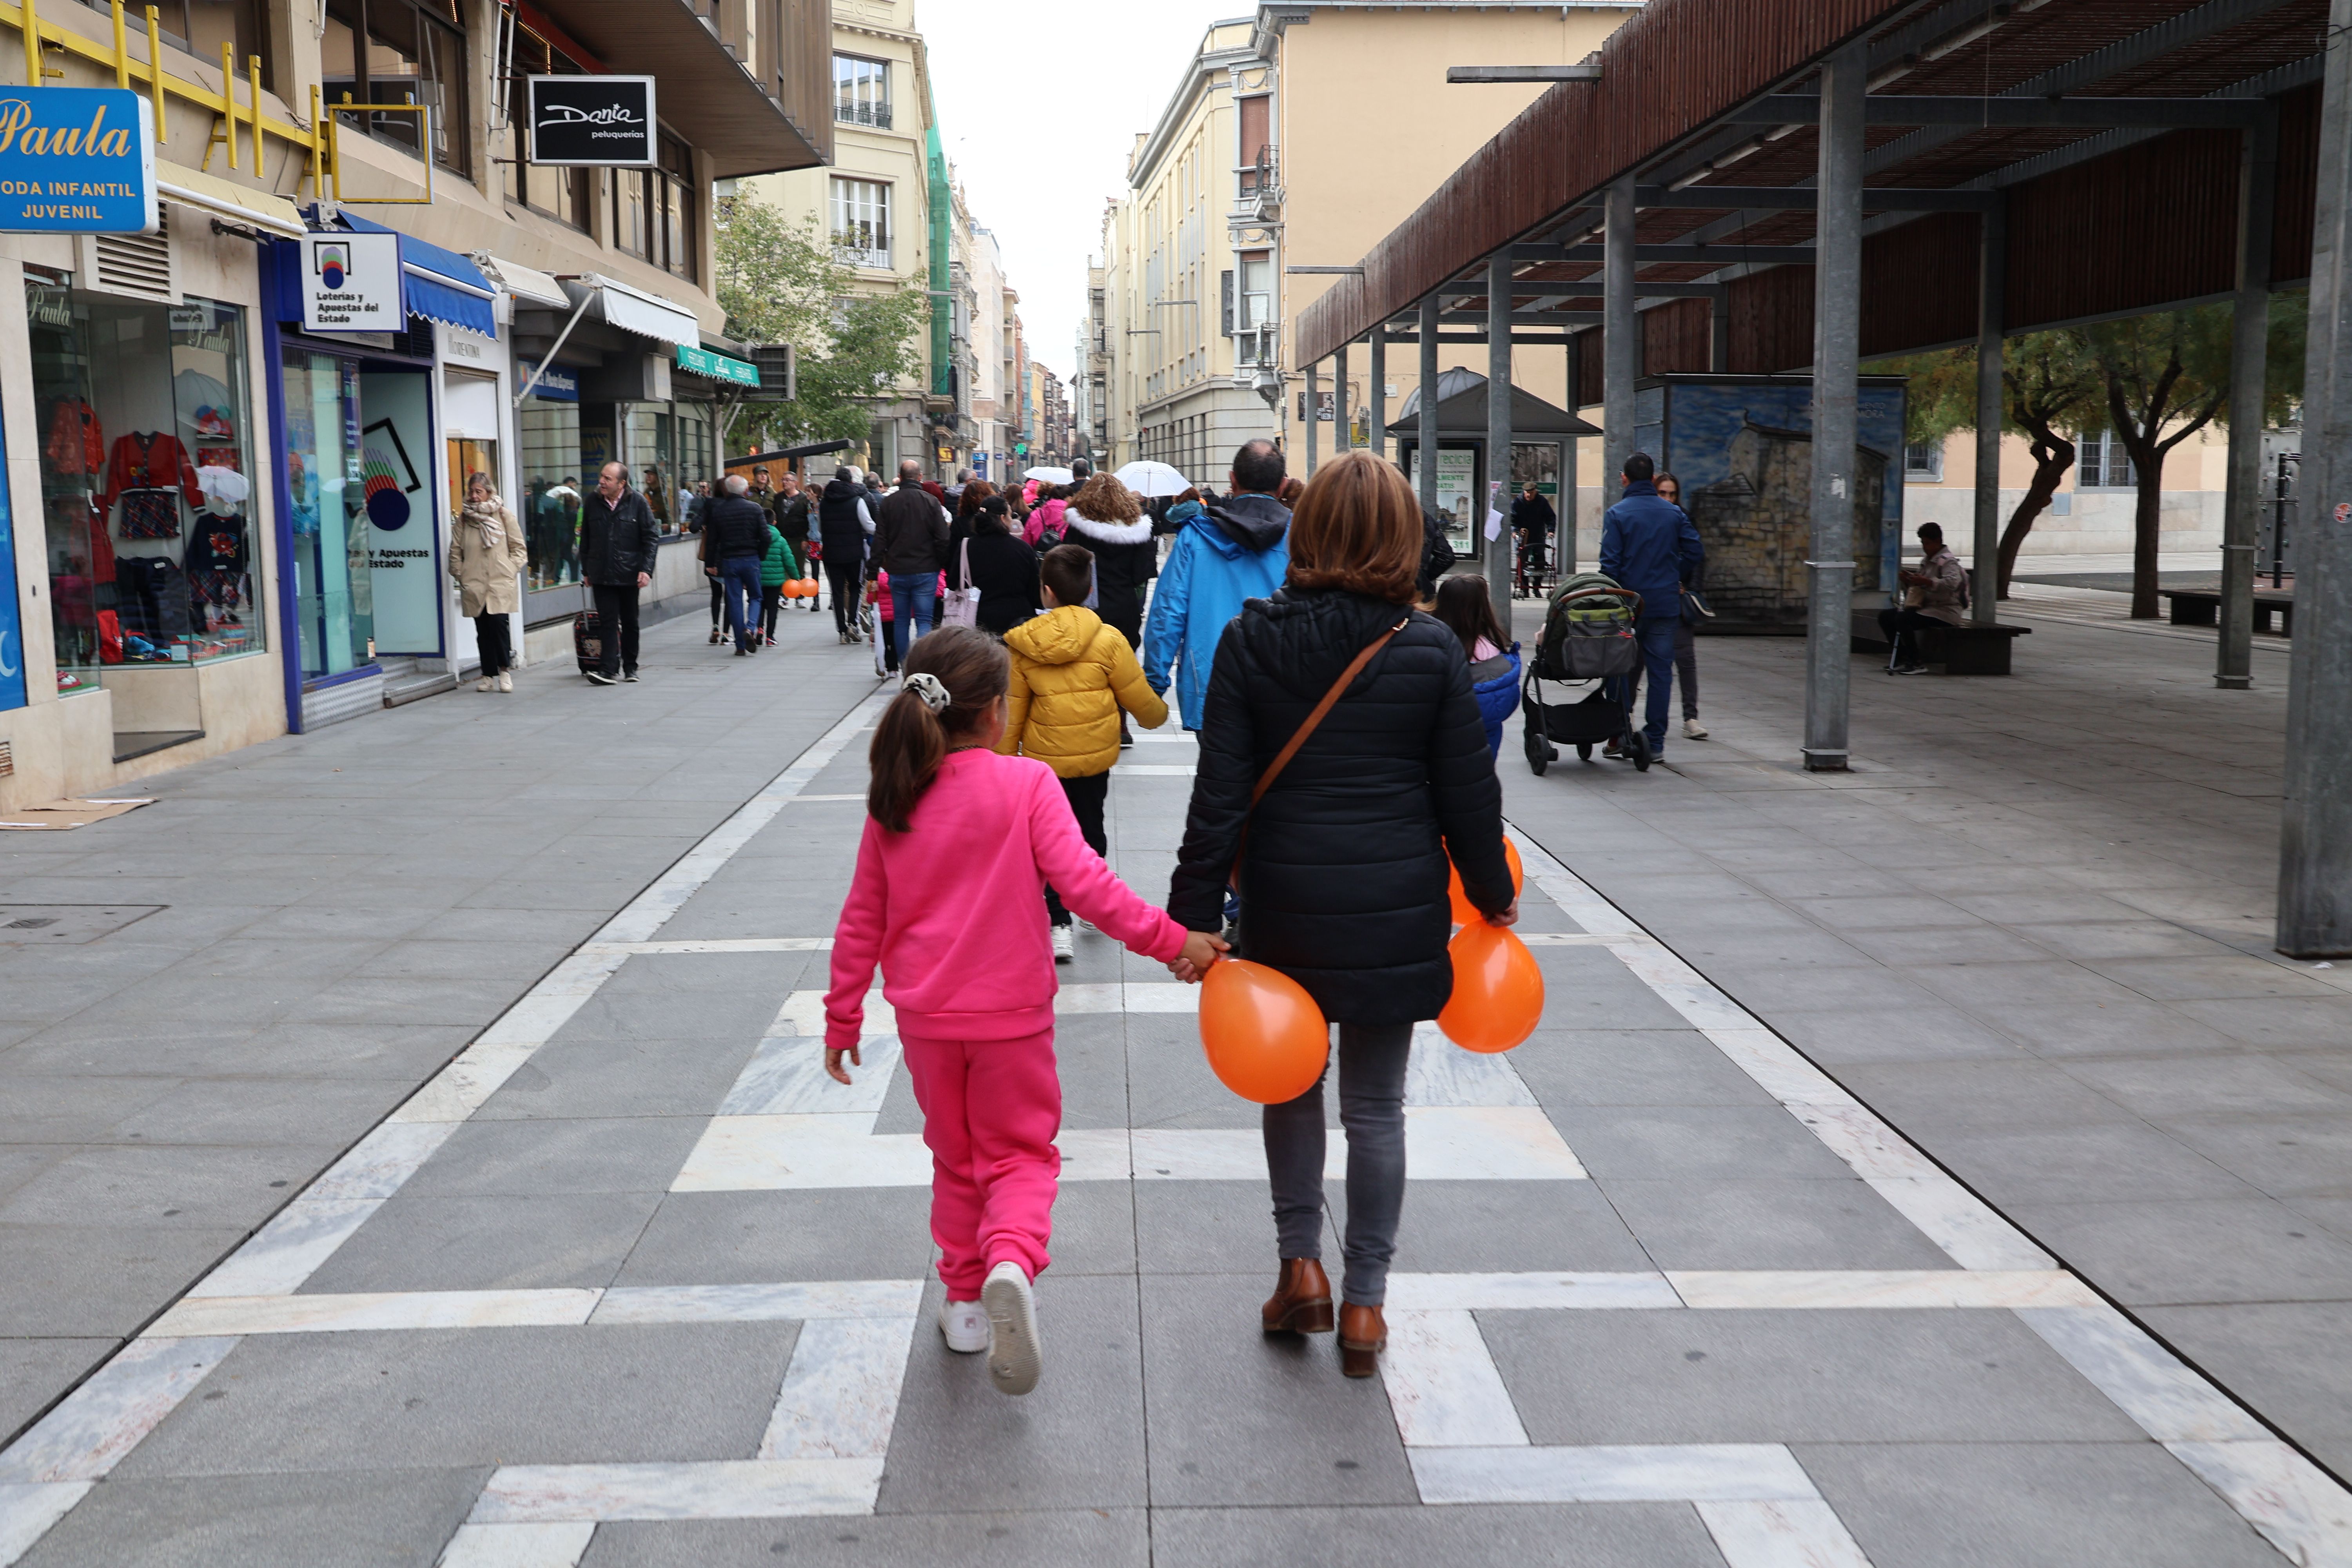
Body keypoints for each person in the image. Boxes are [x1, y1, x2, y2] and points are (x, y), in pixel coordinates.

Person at [1166, 450, 1515, 1378]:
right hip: (1395, 910)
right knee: (1376, 1108)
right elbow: (1466, 797)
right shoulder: (1431, 646)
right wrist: (1492, 896)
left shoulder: (1252, 640)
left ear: (1307, 530)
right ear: (1404, 537)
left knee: (1289, 1084)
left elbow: (1220, 797)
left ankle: (1300, 1269)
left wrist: (1192, 916)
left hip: (1286, 904)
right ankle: (1366, 1306)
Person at [825, 629, 1221, 1395]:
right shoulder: (1028, 785)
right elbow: (1089, 889)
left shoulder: (895, 797)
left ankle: (967, 1305)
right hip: (1012, 1015)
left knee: (955, 1157)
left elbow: (860, 921)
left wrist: (843, 1018)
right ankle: (1011, 1257)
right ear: (997, 712)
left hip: (928, 1022)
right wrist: (1176, 941)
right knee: (1021, 1155)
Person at [999, 543, 1169, 962]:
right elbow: (1144, 706)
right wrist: (1158, 714)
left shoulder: (1022, 644)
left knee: (1048, 840)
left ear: (1047, 591)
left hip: (1045, 766)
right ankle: (1091, 903)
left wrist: (1003, 760)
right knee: (1090, 830)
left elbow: (1013, 711)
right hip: (1095, 758)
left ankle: (1059, 923)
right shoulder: (1109, 639)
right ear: (1090, 588)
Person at [1141, 439, 1292, 732]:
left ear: (1233, 480)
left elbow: (1167, 615)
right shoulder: (1301, 538)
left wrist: (1154, 684)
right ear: (1283, 485)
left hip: (1210, 685)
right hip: (1283, 686)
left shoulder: (1195, 538)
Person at [1597, 452, 1703, 760]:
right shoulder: (1673, 513)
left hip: (1627, 606)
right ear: (1654, 480)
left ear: (1624, 478)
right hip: (1663, 605)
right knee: (1661, 673)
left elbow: (1610, 565)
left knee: (1618, 669)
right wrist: (1675, 574)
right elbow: (1695, 551)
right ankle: (1654, 743)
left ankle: (1618, 734)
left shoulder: (1618, 514)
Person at [579, 461, 661, 685]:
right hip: (602, 573)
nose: (602, 482)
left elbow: (651, 538)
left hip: (629, 574)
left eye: (608, 479)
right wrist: (586, 569)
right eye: (602, 477)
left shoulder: (638, 503)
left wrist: (646, 569)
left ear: (621, 483)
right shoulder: (592, 502)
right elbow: (586, 538)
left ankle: (631, 667)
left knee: (630, 622)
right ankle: (607, 669)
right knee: (607, 622)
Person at [448, 471, 525, 693]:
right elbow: (455, 551)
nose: (473, 496)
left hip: (499, 582)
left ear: (489, 492)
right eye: (471, 491)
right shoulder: (464, 519)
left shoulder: (503, 515)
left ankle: (504, 672)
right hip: (474, 583)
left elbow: (519, 548)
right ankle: (487, 675)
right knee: (482, 631)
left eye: (478, 492)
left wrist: (511, 569)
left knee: (500, 627)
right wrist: (461, 574)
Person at [1062, 474, 1156, 649]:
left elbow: (1066, 567)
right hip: (1124, 607)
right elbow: (1141, 574)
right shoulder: (1137, 533)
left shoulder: (1078, 529)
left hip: (1085, 609)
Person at [1433, 574, 1521, 758]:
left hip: (1444, 737)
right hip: (1488, 736)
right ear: (1483, 608)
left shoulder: (1435, 648)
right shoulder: (1495, 648)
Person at [876, 459, 951, 662]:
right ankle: (921, 664)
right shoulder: (931, 502)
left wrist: (873, 569)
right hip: (926, 570)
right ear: (920, 477)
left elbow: (880, 538)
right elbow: (943, 538)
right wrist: (943, 563)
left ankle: (904, 666)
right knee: (924, 621)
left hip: (898, 570)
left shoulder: (888, 503)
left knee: (900, 621)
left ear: (900, 478)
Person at [1655, 471, 1707, 740]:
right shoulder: (1648, 517)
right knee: (1636, 660)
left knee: (1686, 659)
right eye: (1662, 493)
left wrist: (1690, 588)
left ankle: (1691, 717)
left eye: (1672, 493)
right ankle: (1624, 714)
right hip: (1651, 599)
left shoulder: (1683, 518)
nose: (1668, 498)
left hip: (1677, 598)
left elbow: (1697, 555)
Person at [1880, 520, 1968, 675]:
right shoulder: (1927, 561)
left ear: (1937, 542)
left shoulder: (1948, 561)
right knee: (1886, 617)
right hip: (1927, 608)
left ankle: (1916, 661)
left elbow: (1952, 583)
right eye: (1923, 543)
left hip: (1945, 611)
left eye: (1927, 543)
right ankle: (1901, 658)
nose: (1924, 547)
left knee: (1903, 619)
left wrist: (1927, 582)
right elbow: (1920, 586)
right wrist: (1911, 581)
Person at [952, 495, 1043, 636]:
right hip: (1018, 619)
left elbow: (953, 581)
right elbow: (1035, 588)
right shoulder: (1023, 549)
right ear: (1002, 518)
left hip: (977, 618)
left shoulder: (966, 546)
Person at [703, 474, 773, 656]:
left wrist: (711, 563)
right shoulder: (755, 508)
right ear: (745, 490)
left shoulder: (719, 511)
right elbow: (766, 537)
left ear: (726, 490)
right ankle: (750, 628)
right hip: (751, 559)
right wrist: (761, 556)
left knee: (734, 601)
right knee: (756, 597)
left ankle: (740, 646)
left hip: (729, 561)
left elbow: (712, 541)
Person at [818, 465, 877, 645]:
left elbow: (821, 529)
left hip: (831, 554)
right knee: (855, 588)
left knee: (836, 592)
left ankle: (842, 631)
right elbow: (869, 526)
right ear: (851, 481)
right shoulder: (857, 500)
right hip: (853, 553)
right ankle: (853, 623)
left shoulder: (824, 502)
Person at [759, 495, 801, 647]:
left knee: (759, 606)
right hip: (775, 581)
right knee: (772, 608)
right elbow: (789, 561)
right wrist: (796, 578)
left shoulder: (755, 538)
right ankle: (770, 637)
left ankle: (759, 630)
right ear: (775, 523)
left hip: (758, 579)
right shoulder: (781, 540)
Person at [1512, 481, 1556, 597]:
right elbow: (1513, 518)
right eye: (1527, 493)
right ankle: (1524, 588)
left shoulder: (1542, 502)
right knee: (1522, 561)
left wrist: (1551, 530)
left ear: (1536, 492)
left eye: (1531, 493)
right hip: (1524, 535)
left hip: (1538, 534)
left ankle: (1537, 588)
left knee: (1540, 561)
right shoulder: (1518, 502)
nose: (1529, 495)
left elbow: (1551, 517)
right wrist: (1515, 531)